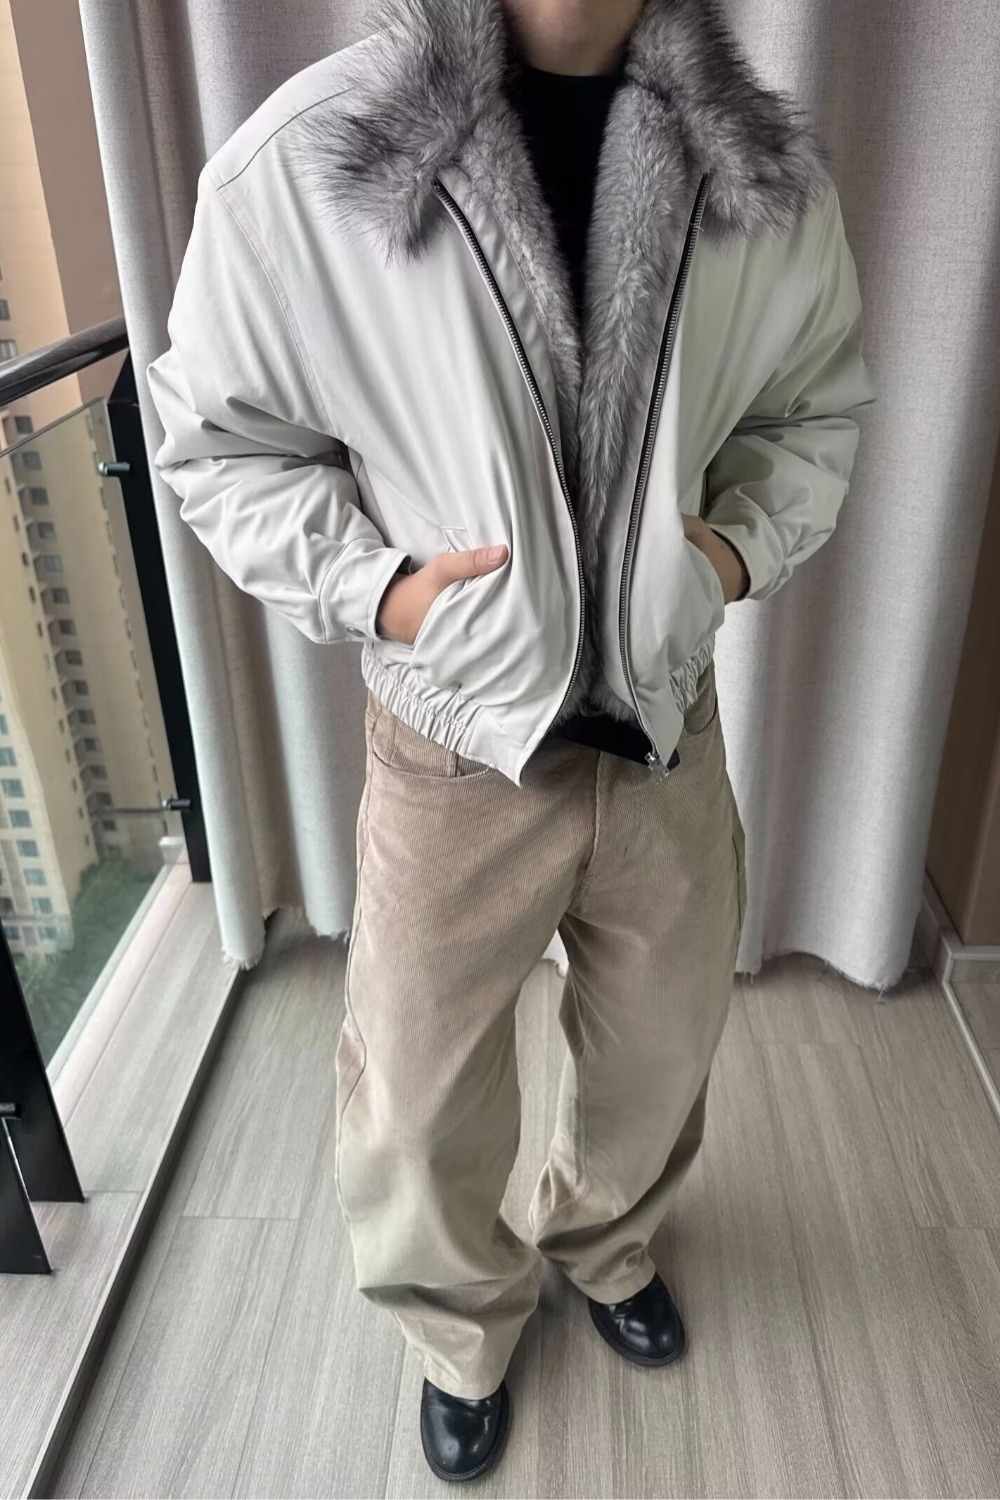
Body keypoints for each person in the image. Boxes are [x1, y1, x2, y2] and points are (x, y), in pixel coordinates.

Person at [147, 0, 875, 1481]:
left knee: (660, 1049)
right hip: (453, 745)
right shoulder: (313, 159)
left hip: (666, 726)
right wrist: (383, 592)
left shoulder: (756, 169)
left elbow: (812, 415)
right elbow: (221, 443)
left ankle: (606, 1246)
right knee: (417, 1095)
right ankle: (461, 1331)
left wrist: (726, 556)